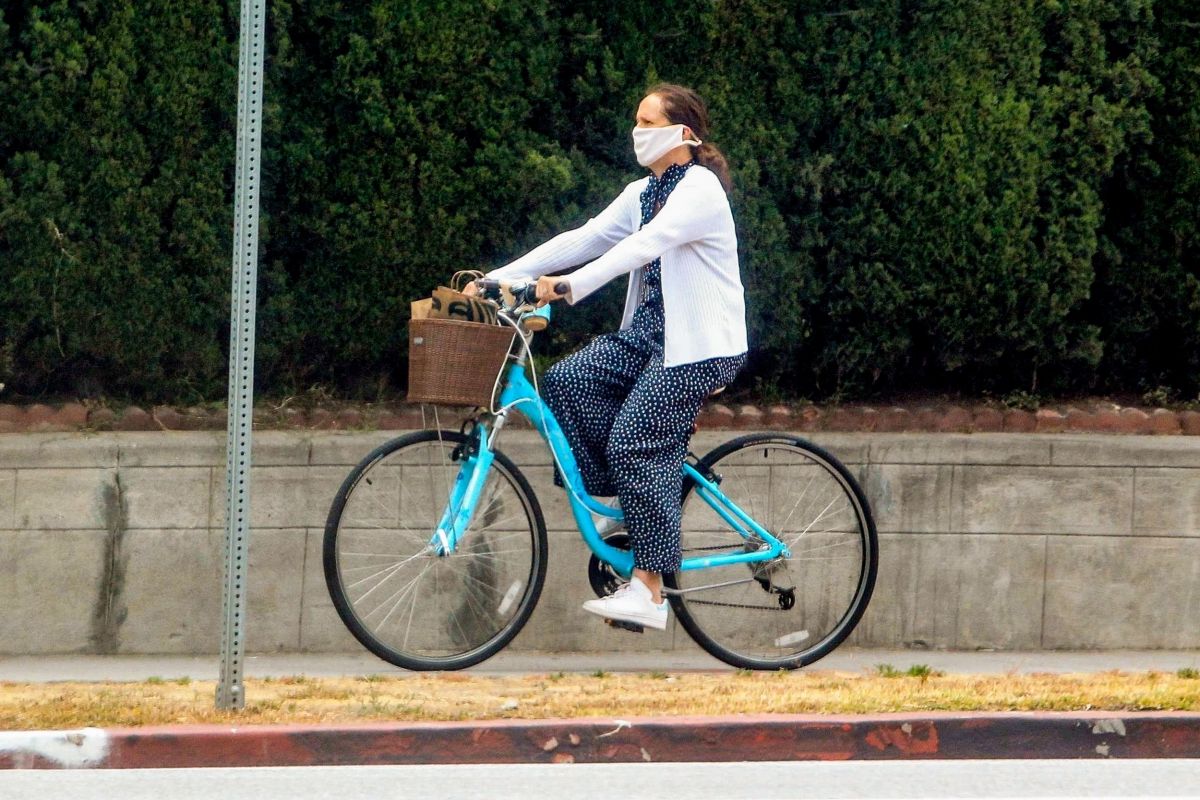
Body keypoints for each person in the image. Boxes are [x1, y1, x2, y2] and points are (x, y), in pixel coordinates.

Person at [477, 83, 748, 631]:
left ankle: (650, 592)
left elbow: (638, 249)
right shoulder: (643, 192)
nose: (638, 133)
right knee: (566, 381)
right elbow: (587, 237)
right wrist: (498, 278)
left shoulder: (698, 189)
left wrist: (567, 288)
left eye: (649, 124)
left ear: (685, 135)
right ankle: (627, 505)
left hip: (698, 347)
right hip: (650, 337)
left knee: (635, 441)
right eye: (637, 122)